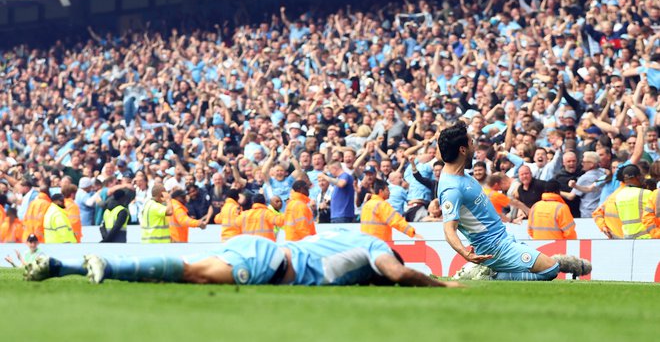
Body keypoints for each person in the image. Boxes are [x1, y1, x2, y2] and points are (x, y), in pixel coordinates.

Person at [24, 230, 460, 288]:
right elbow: (398, 272)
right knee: (192, 274)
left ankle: (60, 266)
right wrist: (444, 285)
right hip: (273, 264)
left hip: (264, 249)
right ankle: (107, 265)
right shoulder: (376, 248)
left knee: (192, 272)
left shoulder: (349, 239)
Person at [436, 122, 590, 281]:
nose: (474, 146)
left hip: (503, 237)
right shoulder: (451, 189)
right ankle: (490, 276)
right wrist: (465, 253)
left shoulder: (463, 175)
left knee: (546, 265)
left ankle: (487, 271)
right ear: (462, 150)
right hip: (494, 247)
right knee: (550, 269)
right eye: (471, 143)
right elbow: (449, 229)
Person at [562, 151, 606, 218]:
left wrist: (556, 191)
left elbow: (571, 196)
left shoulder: (585, 178)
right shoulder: (602, 172)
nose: (582, 164)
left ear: (591, 164)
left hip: (588, 212)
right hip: (600, 210)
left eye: (584, 162)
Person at [615, 165, 653, 239]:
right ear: (637, 177)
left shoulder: (618, 195)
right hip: (645, 237)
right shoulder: (646, 193)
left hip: (627, 237)